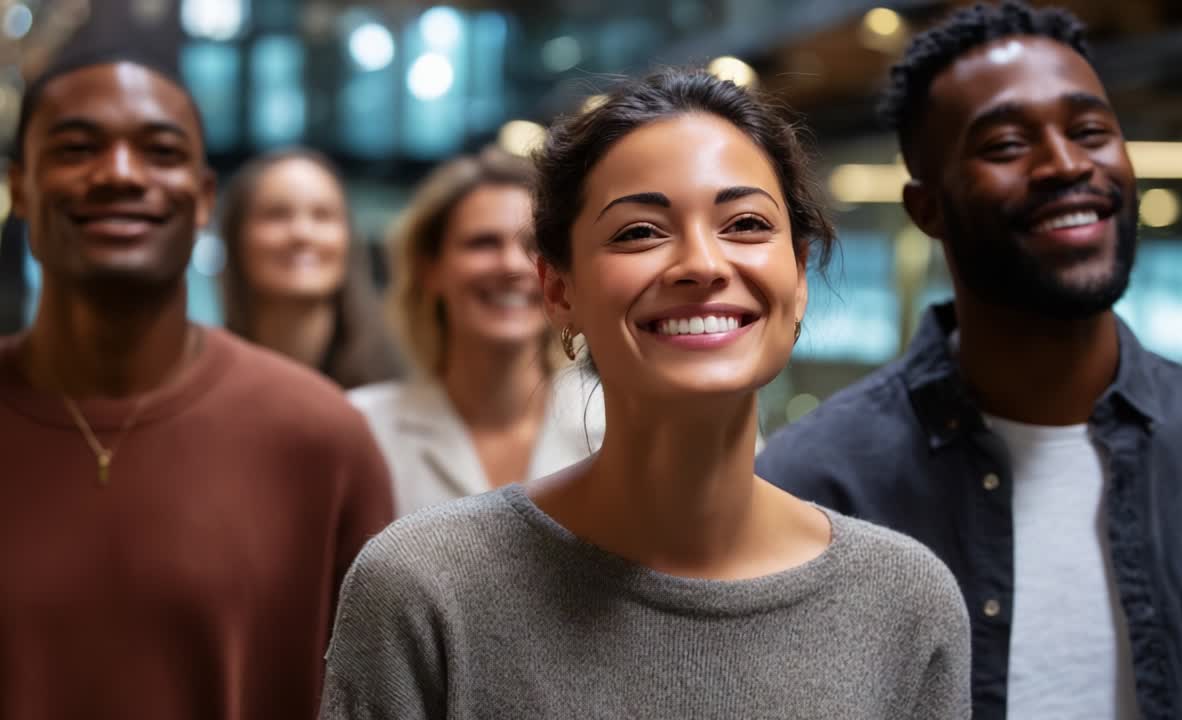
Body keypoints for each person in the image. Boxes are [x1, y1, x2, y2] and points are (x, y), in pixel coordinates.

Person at [318, 69, 971, 719]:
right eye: (639, 232)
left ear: (798, 275)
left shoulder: (905, 601)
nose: (702, 264)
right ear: (557, 289)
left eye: (744, 223)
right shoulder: (423, 590)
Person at [756, 2, 1182, 718]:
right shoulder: (812, 489)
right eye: (1005, 145)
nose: (1066, 163)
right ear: (926, 209)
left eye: (1091, 131)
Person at [0, 52, 394, 719]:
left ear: (205, 198)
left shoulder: (319, 437)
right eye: (77, 148)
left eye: (159, 150)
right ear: (23, 189)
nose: (120, 174)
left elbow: (383, 697)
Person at [349, 148, 598, 517]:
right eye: (482, 243)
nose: (512, 264)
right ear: (429, 268)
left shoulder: (616, 425)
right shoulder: (361, 427)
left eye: (533, 247)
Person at [217, 148, 401, 389]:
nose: (302, 233)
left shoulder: (404, 378)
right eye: (277, 215)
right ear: (236, 237)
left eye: (323, 215)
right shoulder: (204, 377)